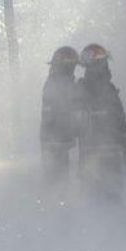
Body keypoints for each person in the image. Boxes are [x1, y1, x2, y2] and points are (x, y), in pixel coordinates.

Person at [74, 43, 126, 202]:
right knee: (110, 195)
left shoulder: (81, 88)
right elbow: (120, 118)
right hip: (106, 151)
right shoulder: (106, 88)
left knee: (92, 195)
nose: (105, 66)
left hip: (90, 151)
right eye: (103, 62)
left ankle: (98, 223)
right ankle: (111, 222)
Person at [40, 46, 80, 185]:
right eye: (70, 64)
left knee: (62, 178)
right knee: (57, 180)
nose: (73, 68)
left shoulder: (64, 82)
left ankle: (61, 202)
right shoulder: (56, 83)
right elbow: (50, 114)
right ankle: (56, 204)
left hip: (61, 140)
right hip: (55, 141)